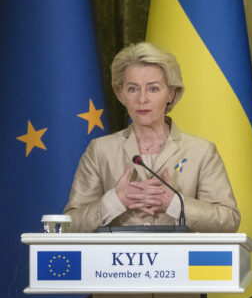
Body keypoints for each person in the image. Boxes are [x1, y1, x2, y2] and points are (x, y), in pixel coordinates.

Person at [64, 42, 240, 233]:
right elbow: (69, 225)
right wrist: (115, 200)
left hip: (181, 261)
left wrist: (175, 203)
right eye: (133, 89)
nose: (142, 99)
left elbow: (228, 220)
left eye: (153, 88)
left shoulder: (201, 151)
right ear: (121, 93)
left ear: (171, 94)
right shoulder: (100, 150)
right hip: (115, 261)